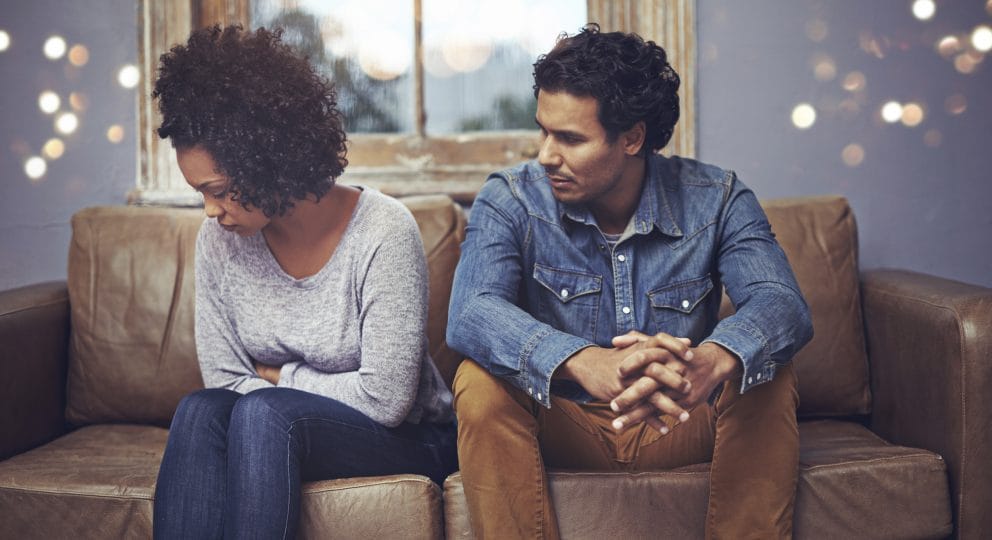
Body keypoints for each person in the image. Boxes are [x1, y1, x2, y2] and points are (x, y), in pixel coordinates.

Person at [447, 24, 813, 539]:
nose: (547, 155)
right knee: (478, 381)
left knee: (768, 370)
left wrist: (710, 361)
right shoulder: (511, 199)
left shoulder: (717, 197)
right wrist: (585, 360)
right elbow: (470, 311)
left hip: (679, 422)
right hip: (566, 423)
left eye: (570, 138)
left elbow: (783, 304)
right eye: (544, 130)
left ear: (632, 138)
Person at [151, 25, 457, 539]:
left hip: (411, 439)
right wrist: (271, 387)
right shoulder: (221, 242)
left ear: (267, 160)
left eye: (220, 190)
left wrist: (279, 377)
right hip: (279, 431)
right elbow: (225, 381)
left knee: (265, 414)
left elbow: (386, 400)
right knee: (202, 409)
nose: (210, 211)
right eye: (200, 193)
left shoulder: (383, 230)